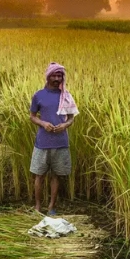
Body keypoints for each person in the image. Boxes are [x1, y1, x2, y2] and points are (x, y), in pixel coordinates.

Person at [29, 62, 79, 216]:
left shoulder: (66, 96)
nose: (57, 78)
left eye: (60, 75)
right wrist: (43, 123)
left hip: (60, 142)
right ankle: (37, 207)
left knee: (56, 175)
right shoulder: (38, 95)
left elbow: (71, 118)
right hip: (42, 142)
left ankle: (51, 207)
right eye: (54, 75)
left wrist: (65, 125)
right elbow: (32, 117)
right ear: (48, 76)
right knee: (39, 175)